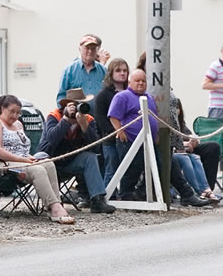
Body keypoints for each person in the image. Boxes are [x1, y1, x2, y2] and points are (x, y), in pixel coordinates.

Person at [109, 70, 208, 206]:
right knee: (132, 170)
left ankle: (184, 194)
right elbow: (114, 116)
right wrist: (120, 131)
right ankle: (127, 197)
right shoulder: (122, 96)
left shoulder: (149, 98)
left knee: (162, 165)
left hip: (149, 141)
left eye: (143, 81)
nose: (140, 83)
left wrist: (155, 136)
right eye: (137, 80)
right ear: (130, 82)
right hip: (130, 141)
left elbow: (152, 117)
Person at [0, 94, 76, 224]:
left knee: (49, 164)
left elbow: (23, 150)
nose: (15, 116)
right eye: (12, 112)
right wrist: (22, 160)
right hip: (4, 163)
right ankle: (56, 208)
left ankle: (54, 206)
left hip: (23, 160)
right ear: (2, 108)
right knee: (38, 170)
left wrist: (30, 158)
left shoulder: (18, 124)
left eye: (18, 113)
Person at [36, 88, 116, 214]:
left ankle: (97, 200)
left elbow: (96, 148)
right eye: (74, 105)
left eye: (80, 105)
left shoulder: (88, 119)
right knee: (45, 155)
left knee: (90, 157)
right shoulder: (54, 116)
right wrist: (66, 120)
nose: (77, 108)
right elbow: (51, 140)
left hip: (70, 163)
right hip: (50, 162)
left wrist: (84, 126)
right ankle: (54, 203)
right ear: (65, 106)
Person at [172, 100, 221, 201]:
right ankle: (198, 191)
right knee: (189, 158)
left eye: (178, 108)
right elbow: (169, 141)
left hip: (186, 150)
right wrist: (182, 145)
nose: (176, 110)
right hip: (174, 150)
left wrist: (193, 141)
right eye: (174, 108)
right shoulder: (166, 120)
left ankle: (208, 189)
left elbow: (188, 134)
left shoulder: (180, 122)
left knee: (212, 147)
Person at [93, 57, 129, 186]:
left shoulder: (131, 93)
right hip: (111, 140)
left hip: (130, 139)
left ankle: (126, 194)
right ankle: (109, 195)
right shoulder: (103, 95)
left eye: (125, 70)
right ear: (111, 73)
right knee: (111, 170)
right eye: (118, 70)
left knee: (128, 170)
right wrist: (115, 131)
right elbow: (100, 117)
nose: (122, 73)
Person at [57, 34, 109, 104]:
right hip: (76, 114)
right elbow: (61, 96)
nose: (90, 51)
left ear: (97, 50)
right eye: (87, 48)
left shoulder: (104, 71)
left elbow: (109, 94)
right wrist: (68, 108)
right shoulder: (69, 71)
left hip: (98, 114)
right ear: (80, 48)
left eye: (93, 48)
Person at [202, 41, 223, 120]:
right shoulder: (215, 66)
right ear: (221, 51)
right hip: (217, 107)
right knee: (216, 130)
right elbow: (204, 85)